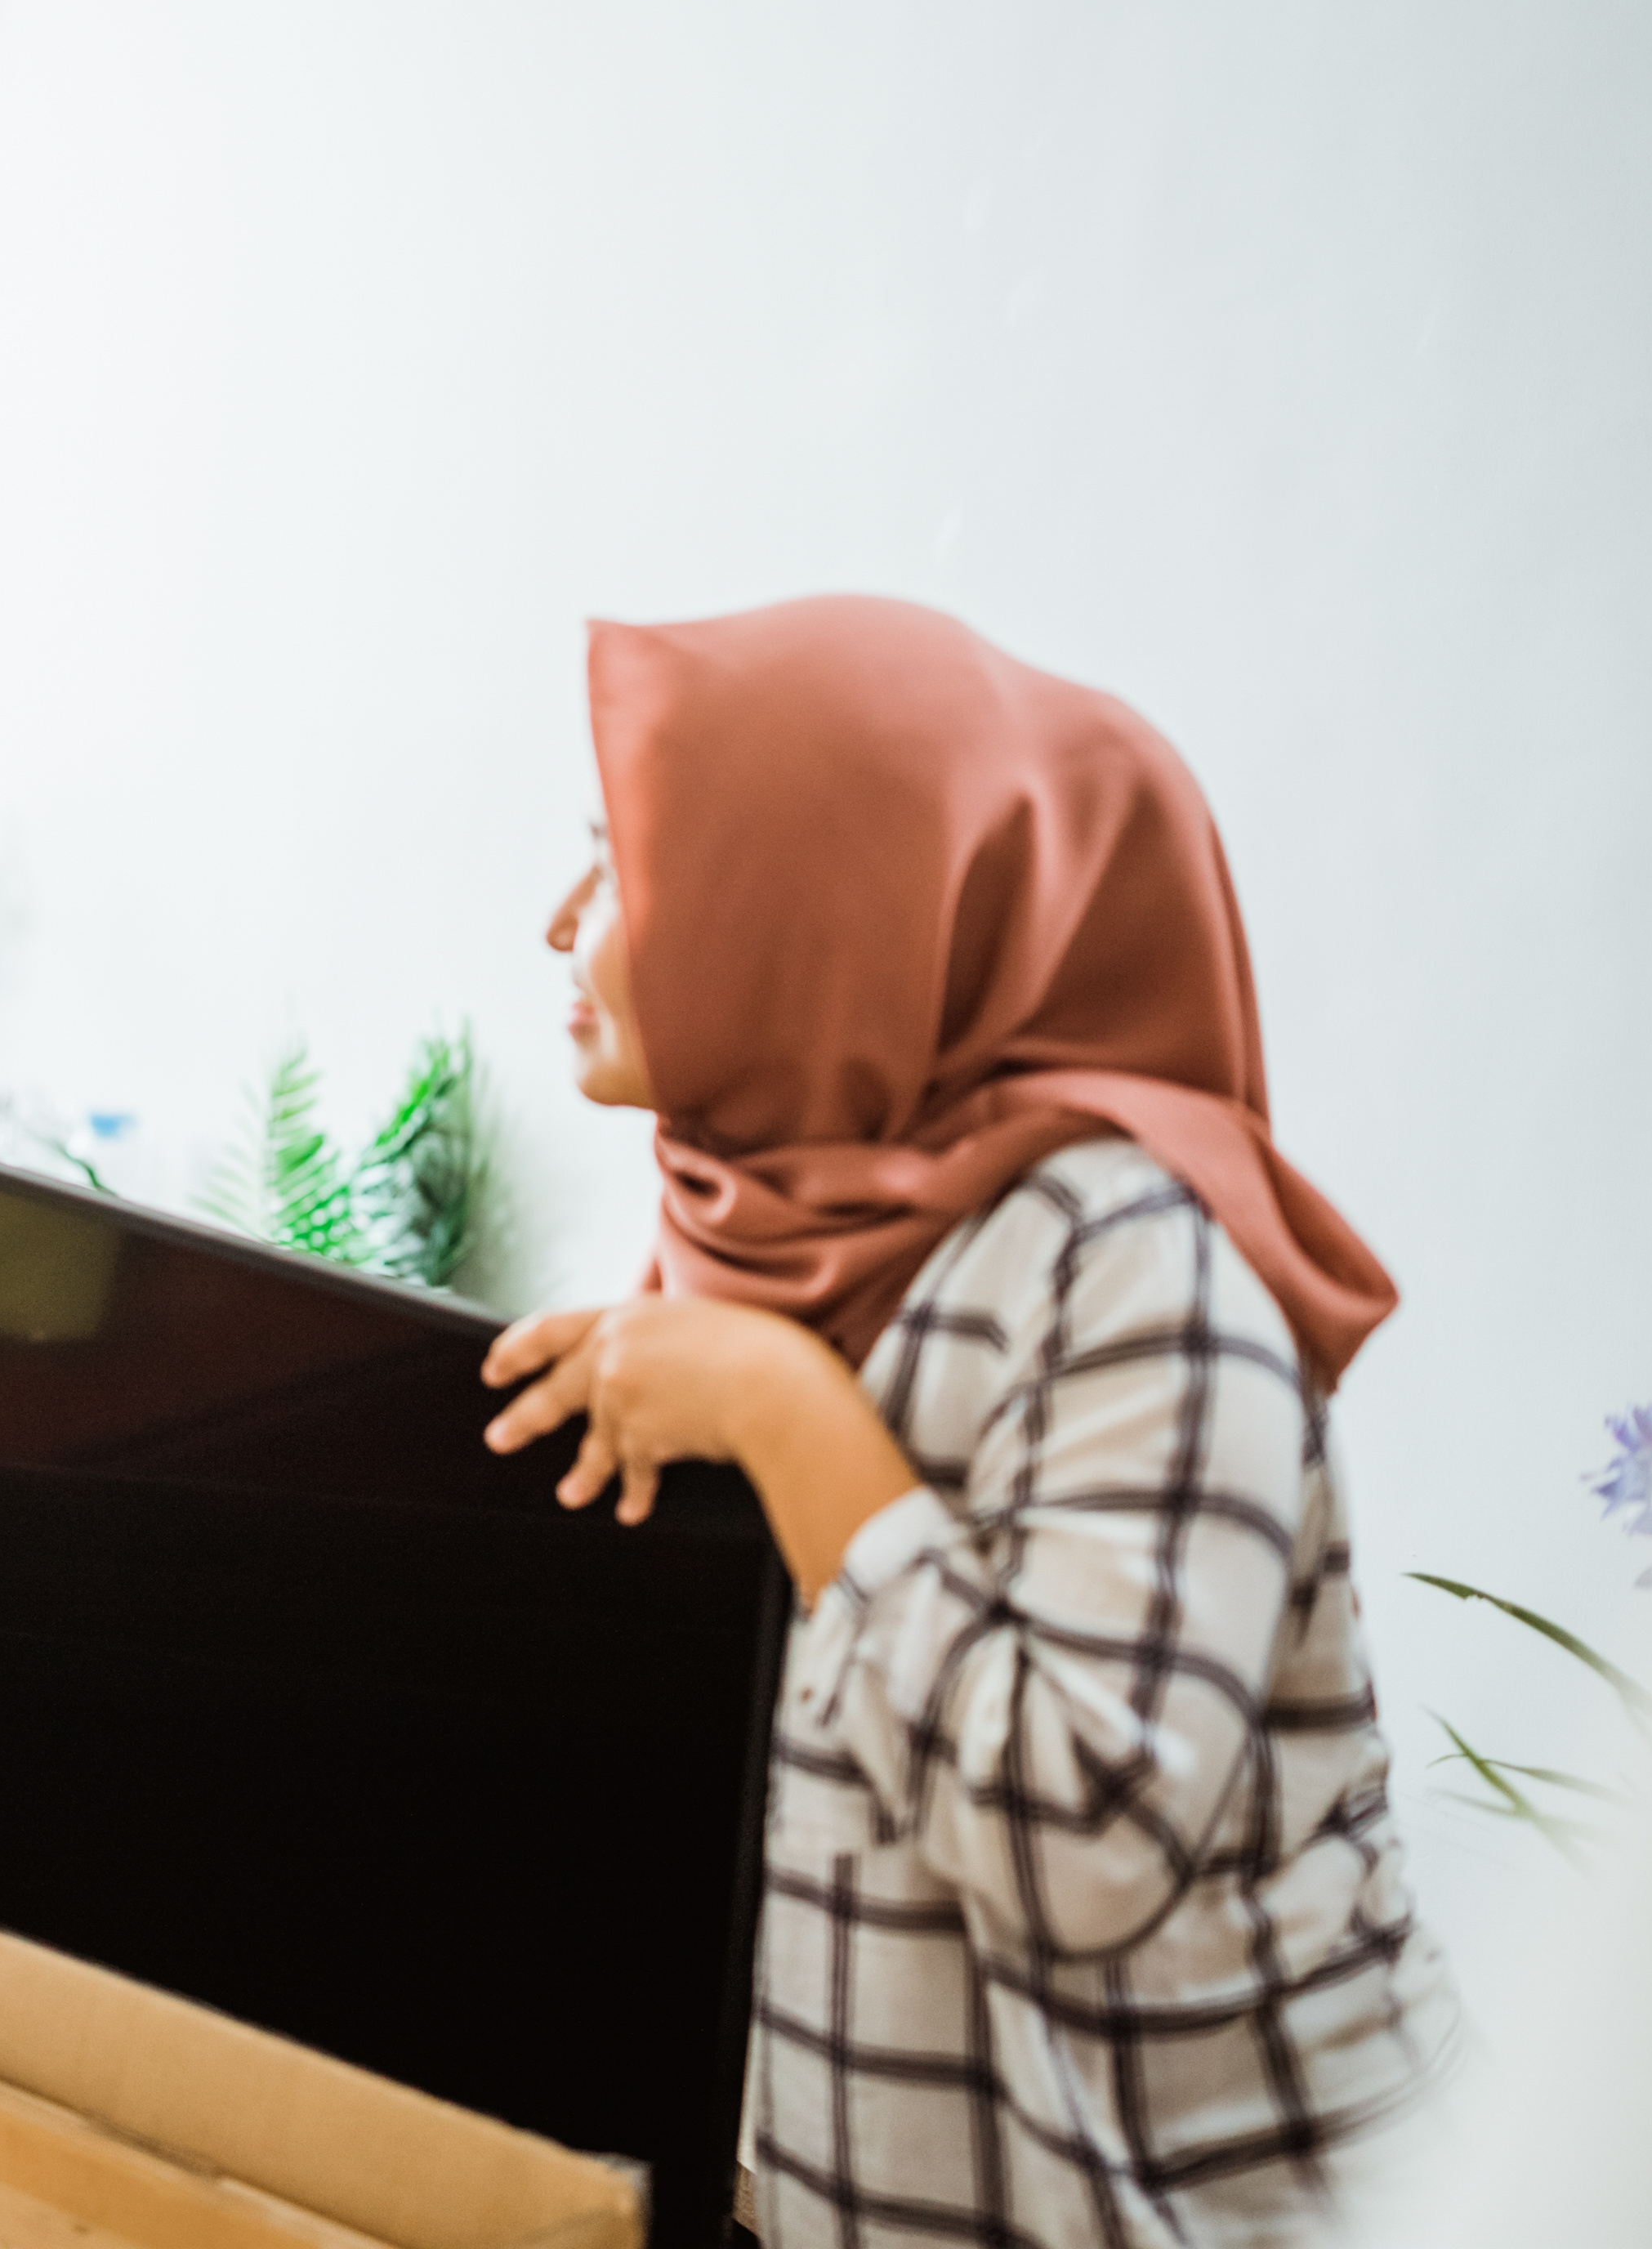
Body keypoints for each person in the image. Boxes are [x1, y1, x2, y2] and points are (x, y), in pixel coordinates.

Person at [481, 597, 1455, 2247]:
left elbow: (1082, 1844)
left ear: (807, 905)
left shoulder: (1131, 1263)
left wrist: (786, 1420)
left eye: (621, 861)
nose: (557, 918)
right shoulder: (761, 1234)